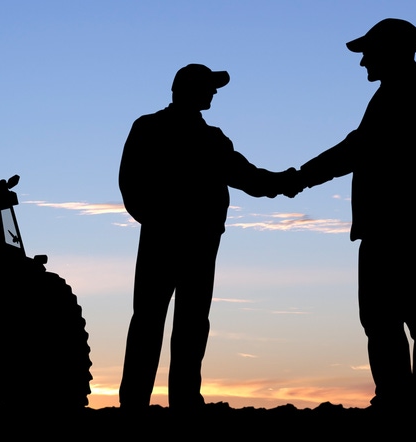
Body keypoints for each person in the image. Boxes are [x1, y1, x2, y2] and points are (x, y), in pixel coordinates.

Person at [288, 18, 416, 414]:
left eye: (369, 51)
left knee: (400, 316)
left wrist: (300, 176)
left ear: (391, 51)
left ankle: (411, 401)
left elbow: (357, 148)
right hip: (407, 221)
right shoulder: (405, 90)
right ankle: (411, 399)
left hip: (400, 223)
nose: (363, 61)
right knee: (405, 315)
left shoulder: (405, 91)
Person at [118, 63, 296, 411]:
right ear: (189, 90)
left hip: (192, 240)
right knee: (161, 321)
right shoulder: (158, 129)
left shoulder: (206, 136)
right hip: (176, 239)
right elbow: (132, 183)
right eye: (208, 87)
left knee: (183, 321)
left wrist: (283, 181)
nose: (213, 93)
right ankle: (148, 402)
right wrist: (287, 182)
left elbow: (249, 177)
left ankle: (171, 401)